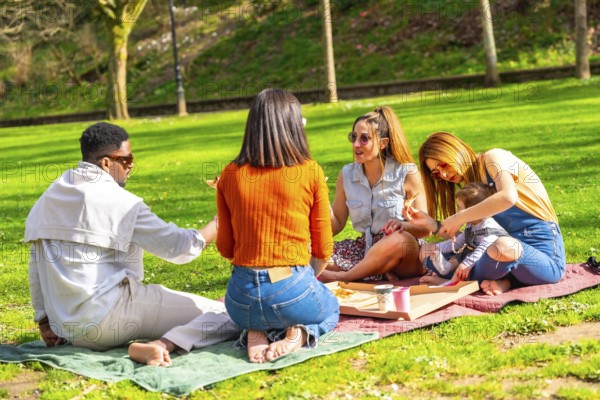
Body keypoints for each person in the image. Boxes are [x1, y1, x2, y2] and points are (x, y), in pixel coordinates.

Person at [25, 122, 239, 367]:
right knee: (233, 316)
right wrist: (219, 221)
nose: (132, 166)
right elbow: (181, 248)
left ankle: (166, 337)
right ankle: (161, 345)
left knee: (213, 309)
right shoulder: (121, 202)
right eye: (127, 160)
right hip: (114, 313)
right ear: (106, 162)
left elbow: (36, 264)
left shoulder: (49, 198)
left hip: (69, 328)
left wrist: (44, 321)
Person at [216, 88, 339, 363]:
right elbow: (323, 249)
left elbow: (225, 249)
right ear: (294, 125)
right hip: (291, 288)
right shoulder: (310, 171)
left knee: (261, 306)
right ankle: (300, 332)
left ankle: (255, 329)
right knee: (331, 308)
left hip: (239, 301)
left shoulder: (230, 174)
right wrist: (303, 279)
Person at [405, 131, 566, 295]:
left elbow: (508, 196)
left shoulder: (494, 158)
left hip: (540, 254)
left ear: (454, 150)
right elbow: (472, 237)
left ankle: (454, 282)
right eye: (437, 173)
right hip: (498, 254)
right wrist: (432, 224)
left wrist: (459, 217)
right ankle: (501, 281)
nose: (444, 175)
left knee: (503, 247)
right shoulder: (472, 187)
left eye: (444, 165)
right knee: (427, 251)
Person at [318, 106, 429, 283]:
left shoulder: (407, 172)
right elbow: (336, 224)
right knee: (306, 252)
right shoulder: (346, 174)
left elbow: (426, 228)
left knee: (398, 240)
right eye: (353, 137)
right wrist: (320, 198)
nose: (356, 144)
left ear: (383, 143)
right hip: (364, 250)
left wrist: (402, 225)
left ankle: (345, 277)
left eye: (364, 139)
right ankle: (376, 271)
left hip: (403, 250)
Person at [419, 182, 510, 284]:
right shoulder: (470, 225)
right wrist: (439, 247)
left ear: (472, 210)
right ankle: (446, 268)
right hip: (473, 258)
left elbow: (482, 250)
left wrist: (466, 264)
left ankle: (448, 281)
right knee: (462, 251)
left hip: (490, 263)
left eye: (459, 208)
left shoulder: (489, 228)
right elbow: (458, 242)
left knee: (468, 257)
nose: (457, 211)